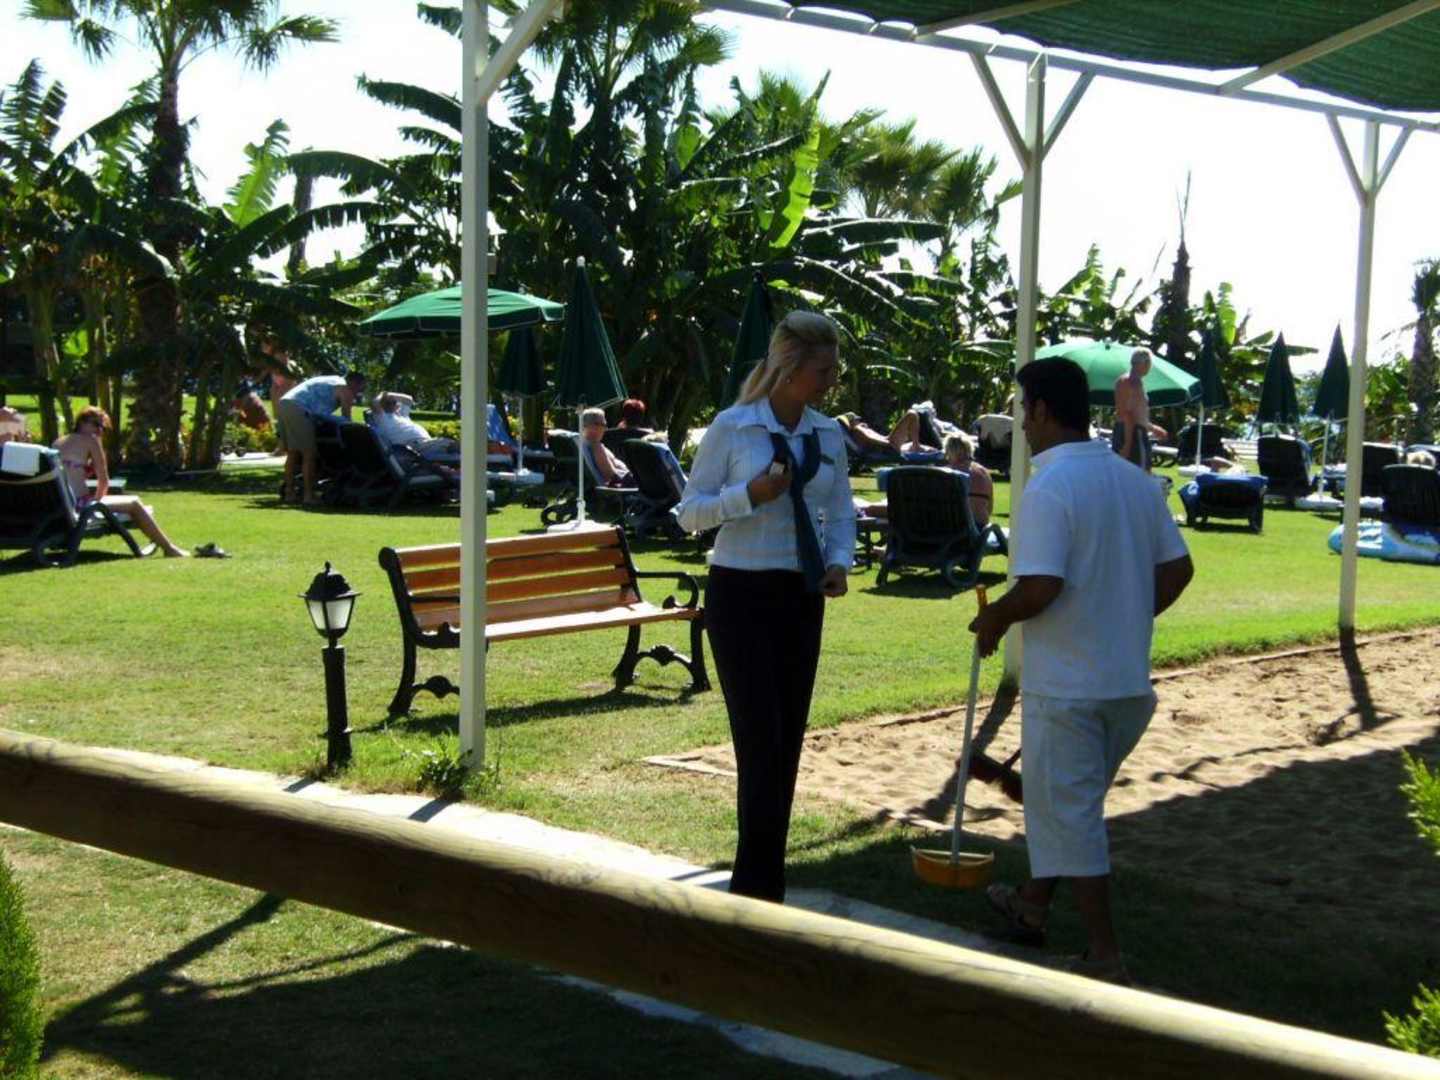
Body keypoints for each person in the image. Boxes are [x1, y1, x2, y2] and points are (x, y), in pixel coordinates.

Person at [969, 357, 1193, 983]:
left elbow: (1040, 585)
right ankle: (1032, 905)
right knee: (1066, 804)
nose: (1021, 422)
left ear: (1042, 410)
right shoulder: (1133, 480)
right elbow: (1178, 570)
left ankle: (1104, 954)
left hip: (1069, 686)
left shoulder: (1049, 487)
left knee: (1072, 815)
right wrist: (1123, 614)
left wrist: (994, 619)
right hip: (1126, 686)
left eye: (1023, 409)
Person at [677, 310, 856, 902]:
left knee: (787, 741)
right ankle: (757, 887)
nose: (831, 381)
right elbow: (689, 514)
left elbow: (842, 512)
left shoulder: (826, 434)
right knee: (759, 740)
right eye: (823, 370)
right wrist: (748, 495)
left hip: (801, 595)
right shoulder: (733, 428)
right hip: (740, 593)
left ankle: (763, 881)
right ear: (789, 369)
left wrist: (838, 562)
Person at [52, 407, 189, 557]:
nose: (99, 430)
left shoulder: (58, 442)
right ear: (82, 422)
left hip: (62, 505)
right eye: (96, 424)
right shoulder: (91, 441)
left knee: (131, 503)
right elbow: (103, 480)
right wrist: (97, 504)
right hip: (81, 505)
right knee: (135, 503)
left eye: (103, 427)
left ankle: (166, 546)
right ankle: (169, 548)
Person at [277, 371, 366, 505]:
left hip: (285, 403)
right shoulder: (344, 388)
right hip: (300, 408)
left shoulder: (332, 380)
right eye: (360, 389)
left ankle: (289, 494)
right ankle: (308, 496)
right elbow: (347, 421)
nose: (358, 393)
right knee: (309, 454)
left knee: (293, 452)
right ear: (354, 383)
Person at [1112, 348, 1168, 471]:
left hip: (1134, 431)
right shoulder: (1128, 382)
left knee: (1140, 473)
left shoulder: (1135, 382)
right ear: (1145, 363)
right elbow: (1126, 414)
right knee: (1140, 474)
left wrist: (1153, 428)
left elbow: (1137, 414)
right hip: (1131, 433)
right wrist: (1127, 445)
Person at [371, 392, 460, 464]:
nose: (393, 404)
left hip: (424, 444)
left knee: (456, 446)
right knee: (454, 445)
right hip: (413, 448)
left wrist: (389, 394)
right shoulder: (382, 418)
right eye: (389, 402)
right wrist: (382, 394)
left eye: (394, 401)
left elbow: (408, 399)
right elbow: (375, 403)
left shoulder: (401, 415)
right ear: (382, 405)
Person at [944, 432, 993, 527]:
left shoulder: (946, 473)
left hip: (953, 528)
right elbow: (989, 508)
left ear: (949, 452)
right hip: (980, 529)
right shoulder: (985, 473)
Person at [580, 407, 631, 486]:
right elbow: (611, 475)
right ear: (594, 425)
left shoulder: (584, 444)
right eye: (603, 425)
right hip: (624, 485)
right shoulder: (596, 446)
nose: (605, 429)